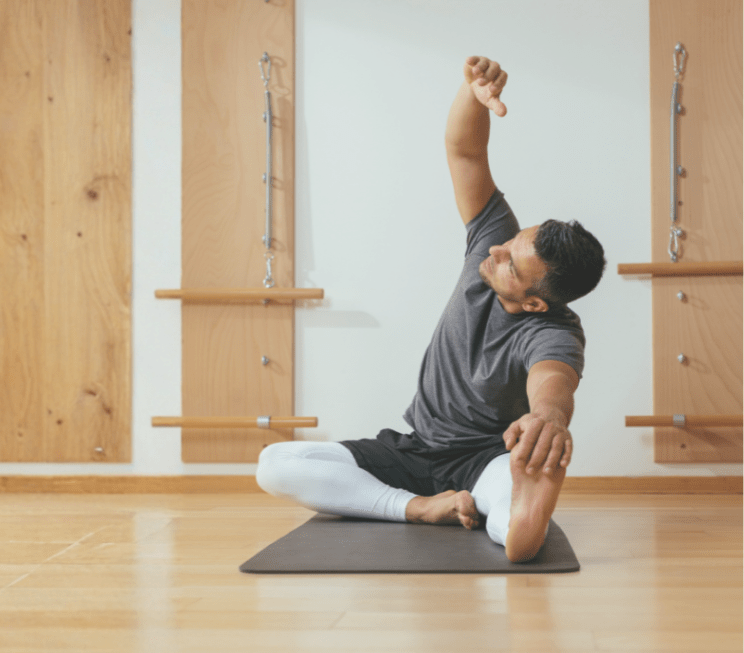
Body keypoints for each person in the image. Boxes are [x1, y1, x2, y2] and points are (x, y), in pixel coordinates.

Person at [256, 55, 606, 563]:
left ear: (534, 301)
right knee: (275, 464)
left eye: (510, 262)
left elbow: (552, 382)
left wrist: (548, 419)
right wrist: (473, 91)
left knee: (510, 519)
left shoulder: (554, 333)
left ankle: (520, 513)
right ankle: (419, 507)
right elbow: (465, 151)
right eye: (509, 242)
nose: (495, 252)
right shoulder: (492, 243)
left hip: (485, 462)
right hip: (412, 449)